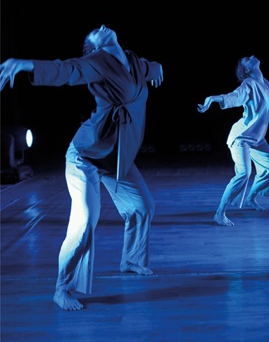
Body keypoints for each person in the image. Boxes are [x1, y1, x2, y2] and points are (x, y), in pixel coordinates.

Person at [0, 24, 164, 311]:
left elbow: (152, 67)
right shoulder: (97, 62)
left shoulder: (134, 61)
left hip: (115, 157)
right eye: (95, 32)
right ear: (96, 47)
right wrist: (23, 64)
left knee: (143, 206)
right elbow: (66, 70)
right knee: (85, 221)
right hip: (86, 155)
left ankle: (131, 260)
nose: (101, 26)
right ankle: (62, 288)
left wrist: (158, 67)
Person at [197, 55, 269, 227]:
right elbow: (234, 97)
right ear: (247, 69)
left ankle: (250, 198)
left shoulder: (266, 83)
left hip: (257, 138)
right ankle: (220, 213)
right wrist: (213, 99)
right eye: (247, 59)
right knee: (244, 173)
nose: (252, 56)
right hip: (241, 137)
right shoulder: (249, 84)